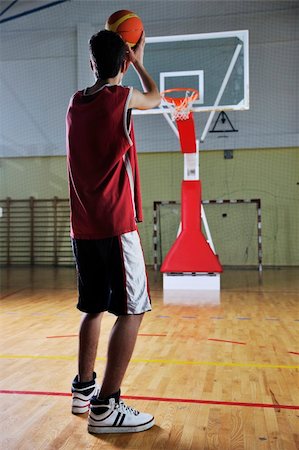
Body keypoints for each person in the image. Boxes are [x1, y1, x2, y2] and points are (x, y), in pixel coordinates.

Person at [66, 29, 160, 435]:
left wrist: (120, 58)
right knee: (133, 310)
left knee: (92, 307)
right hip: (116, 226)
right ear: (122, 63)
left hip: (83, 228)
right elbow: (155, 96)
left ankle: (83, 390)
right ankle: (107, 404)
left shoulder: (75, 103)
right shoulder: (121, 100)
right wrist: (138, 59)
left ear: (91, 64)